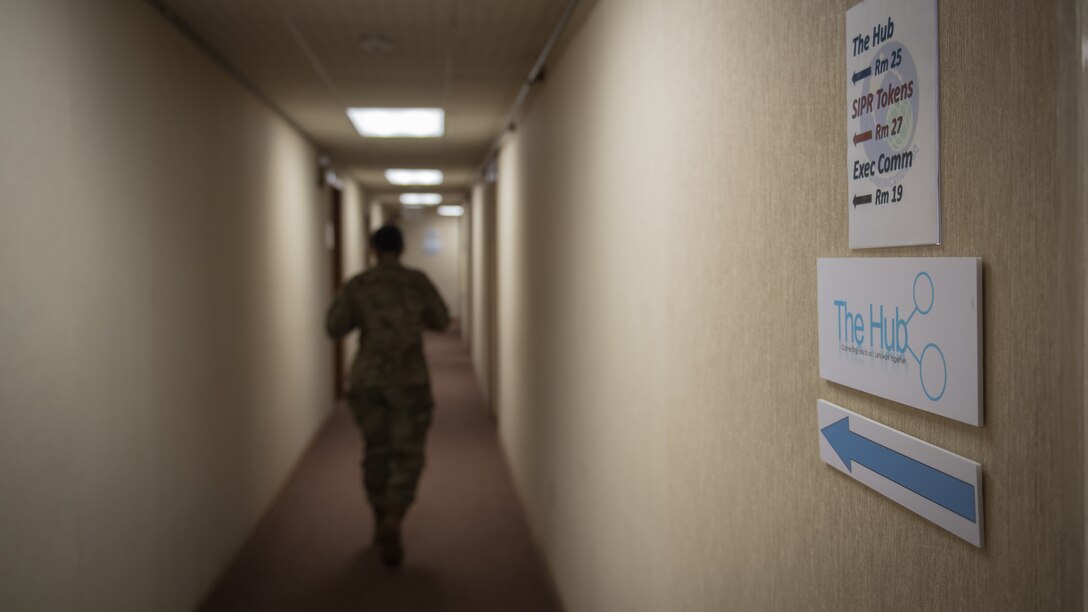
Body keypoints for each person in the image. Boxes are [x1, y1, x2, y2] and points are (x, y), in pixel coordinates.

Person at [325, 224, 450, 567]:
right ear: (403, 249)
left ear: (373, 249)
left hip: (368, 382)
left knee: (375, 450)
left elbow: (333, 327)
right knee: (408, 453)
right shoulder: (418, 282)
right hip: (410, 380)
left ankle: (379, 517)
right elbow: (441, 320)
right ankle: (396, 513)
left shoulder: (359, 284)